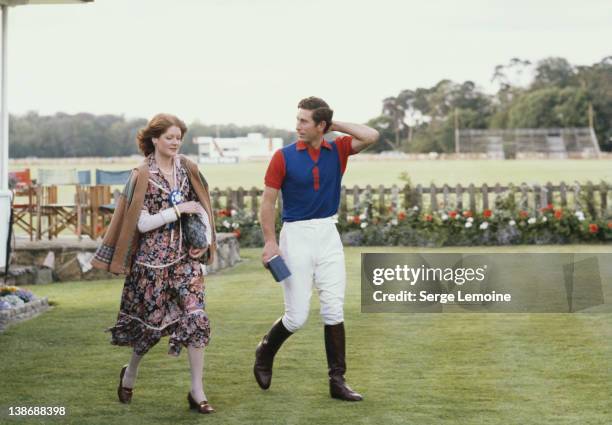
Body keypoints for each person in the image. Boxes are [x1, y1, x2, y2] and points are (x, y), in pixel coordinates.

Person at [254, 97, 379, 401]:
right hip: (295, 236)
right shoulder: (282, 157)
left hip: (328, 234)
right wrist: (271, 242)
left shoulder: (337, 149)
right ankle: (265, 351)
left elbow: (371, 136)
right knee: (296, 317)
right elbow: (267, 203)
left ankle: (337, 381)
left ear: (320, 126)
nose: (297, 126)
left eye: (305, 121)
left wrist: (333, 125)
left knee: (334, 309)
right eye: (297, 119)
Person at [92, 113, 217, 414]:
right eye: (169, 137)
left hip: (186, 261)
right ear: (154, 140)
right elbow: (143, 223)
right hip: (151, 265)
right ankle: (130, 373)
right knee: (148, 330)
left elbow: (202, 207)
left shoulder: (188, 169)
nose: (175, 142)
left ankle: (197, 392)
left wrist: (203, 241)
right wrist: (178, 210)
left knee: (196, 319)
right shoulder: (141, 175)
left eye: (178, 138)